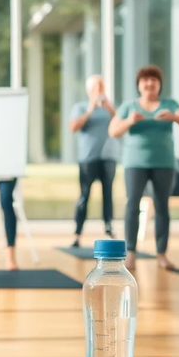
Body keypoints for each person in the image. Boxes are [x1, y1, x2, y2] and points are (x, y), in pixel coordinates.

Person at [110, 65, 179, 271]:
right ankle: (130, 253)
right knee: (132, 205)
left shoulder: (169, 105)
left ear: (159, 84)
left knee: (162, 207)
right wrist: (129, 121)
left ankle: (162, 254)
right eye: (145, 80)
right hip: (135, 163)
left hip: (164, 163)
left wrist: (173, 117)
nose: (149, 84)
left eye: (154, 80)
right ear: (139, 85)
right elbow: (113, 130)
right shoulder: (129, 106)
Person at [68, 74, 118, 247]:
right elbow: (73, 127)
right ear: (89, 90)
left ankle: (109, 228)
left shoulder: (110, 108)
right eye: (97, 87)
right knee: (84, 194)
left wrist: (109, 108)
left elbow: (120, 122)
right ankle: (77, 233)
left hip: (108, 157)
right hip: (88, 158)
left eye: (102, 87)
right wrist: (90, 109)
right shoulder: (80, 107)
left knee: (108, 194)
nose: (100, 90)